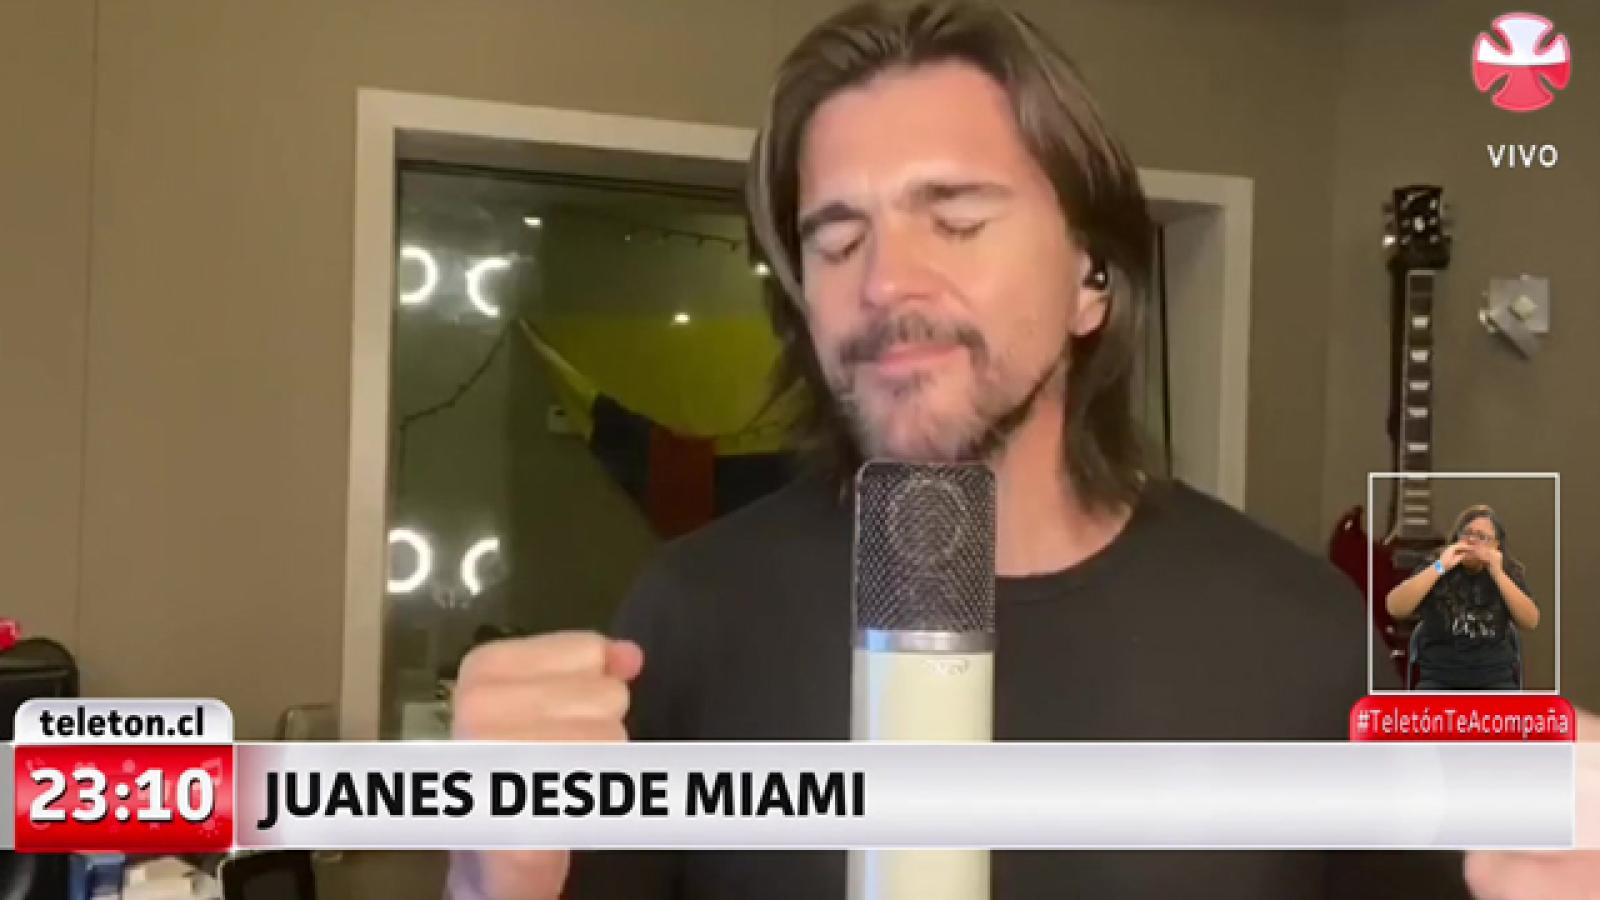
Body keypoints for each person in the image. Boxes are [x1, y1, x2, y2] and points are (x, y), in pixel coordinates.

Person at [447, 2, 1442, 897]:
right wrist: (491, 880)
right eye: (837, 242)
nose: (884, 282)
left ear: (1091, 279)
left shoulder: (1303, 637)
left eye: (957, 221)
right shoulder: (689, 615)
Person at [1385, 504, 1539, 691]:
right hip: (1439, 679)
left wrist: (1498, 574)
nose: (1472, 541)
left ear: (1496, 545)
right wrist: (1441, 566)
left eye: (1481, 537)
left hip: (1495, 680)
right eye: (1467, 534)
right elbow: (1395, 608)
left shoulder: (1507, 573)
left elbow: (1531, 621)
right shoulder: (1436, 566)